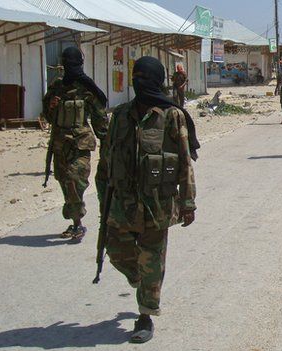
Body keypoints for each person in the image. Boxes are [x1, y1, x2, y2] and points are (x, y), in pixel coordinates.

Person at [103, 56, 199, 343]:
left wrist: (188, 203)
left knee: (152, 261)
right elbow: (106, 161)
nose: (139, 82)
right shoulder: (120, 115)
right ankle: (140, 280)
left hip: (157, 204)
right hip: (122, 203)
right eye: (136, 77)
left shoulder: (172, 116)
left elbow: (184, 161)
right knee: (116, 251)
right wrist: (102, 200)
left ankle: (145, 314)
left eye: (145, 77)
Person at [42, 47, 107, 241]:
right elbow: (48, 115)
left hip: (80, 144)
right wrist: (51, 106)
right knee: (64, 181)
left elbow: (99, 116)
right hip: (60, 144)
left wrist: (108, 142)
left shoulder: (87, 88)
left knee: (74, 181)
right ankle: (75, 221)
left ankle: (78, 221)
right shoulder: (56, 86)